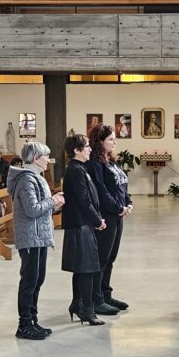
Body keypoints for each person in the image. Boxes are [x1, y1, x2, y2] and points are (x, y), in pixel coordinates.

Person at [9, 142, 66, 339]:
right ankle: (24, 324)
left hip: (39, 236)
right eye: (45, 156)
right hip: (30, 237)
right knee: (29, 281)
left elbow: (42, 208)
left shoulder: (36, 177)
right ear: (34, 158)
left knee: (37, 280)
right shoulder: (26, 180)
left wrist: (55, 204)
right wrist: (53, 200)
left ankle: (33, 320)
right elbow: (32, 210)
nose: (48, 160)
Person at [62, 134, 107, 326]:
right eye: (86, 146)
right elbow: (84, 200)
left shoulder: (79, 168)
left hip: (83, 223)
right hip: (80, 225)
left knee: (82, 269)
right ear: (76, 150)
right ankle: (88, 310)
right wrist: (97, 220)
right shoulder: (75, 170)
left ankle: (77, 304)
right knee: (87, 269)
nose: (89, 149)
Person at [87, 124, 133, 313]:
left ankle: (106, 294)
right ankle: (96, 300)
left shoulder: (111, 161)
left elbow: (122, 185)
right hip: (106, 216)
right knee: (102, 258)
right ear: (100, 141)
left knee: (111, 257)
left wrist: (128, 202)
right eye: (111, 139)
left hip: (117, 215)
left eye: (114, 139)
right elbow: (101, 191)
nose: (114, 142)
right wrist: (118, 207)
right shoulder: (95, 163)